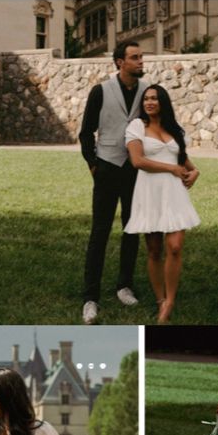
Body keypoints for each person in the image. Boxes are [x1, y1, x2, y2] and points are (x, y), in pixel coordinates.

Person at [79, 40, 148, 324]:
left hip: (135, 170)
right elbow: (86, 132)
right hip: (106, 166)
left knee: (132, 230)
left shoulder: (148, 92)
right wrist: (94, 165)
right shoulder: (101, 91)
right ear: (120, 62)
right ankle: (90, 298)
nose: (141, 61)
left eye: (141, 57)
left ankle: (124, 286)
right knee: (100, 232)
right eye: (135, 57)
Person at [125, 84, 200, 323]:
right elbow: (137, 161)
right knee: (155, 250)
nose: (149, 102)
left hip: (174, 192)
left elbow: (181, 157)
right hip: (149, 192)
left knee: (175, 246)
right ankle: (160, 300)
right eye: (146, 98)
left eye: (154, 99)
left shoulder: (174, 129)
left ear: (163, 102)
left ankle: (170, 302)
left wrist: (194, 171)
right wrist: (171, 169)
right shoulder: (137, 126)